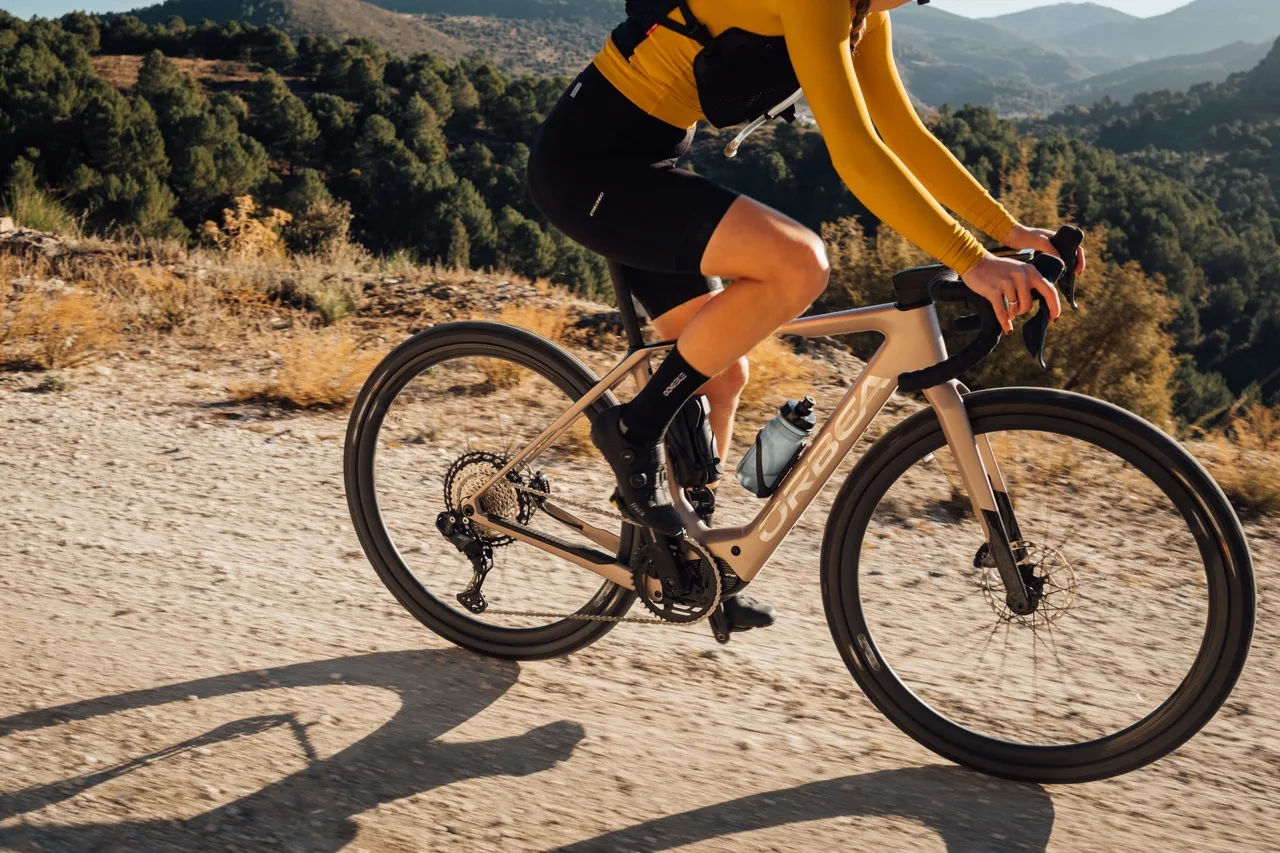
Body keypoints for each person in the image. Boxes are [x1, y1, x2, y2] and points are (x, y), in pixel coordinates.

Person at [527, 0, 1086, 623]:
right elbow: (856, 151)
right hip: (589, 169)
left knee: (722, 375)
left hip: (647, 165)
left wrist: (1004, 231)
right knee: (800, 264)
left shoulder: (864, 15)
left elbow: (901, 135)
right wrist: (973, 260)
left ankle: (687, 564)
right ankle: (632, 431)